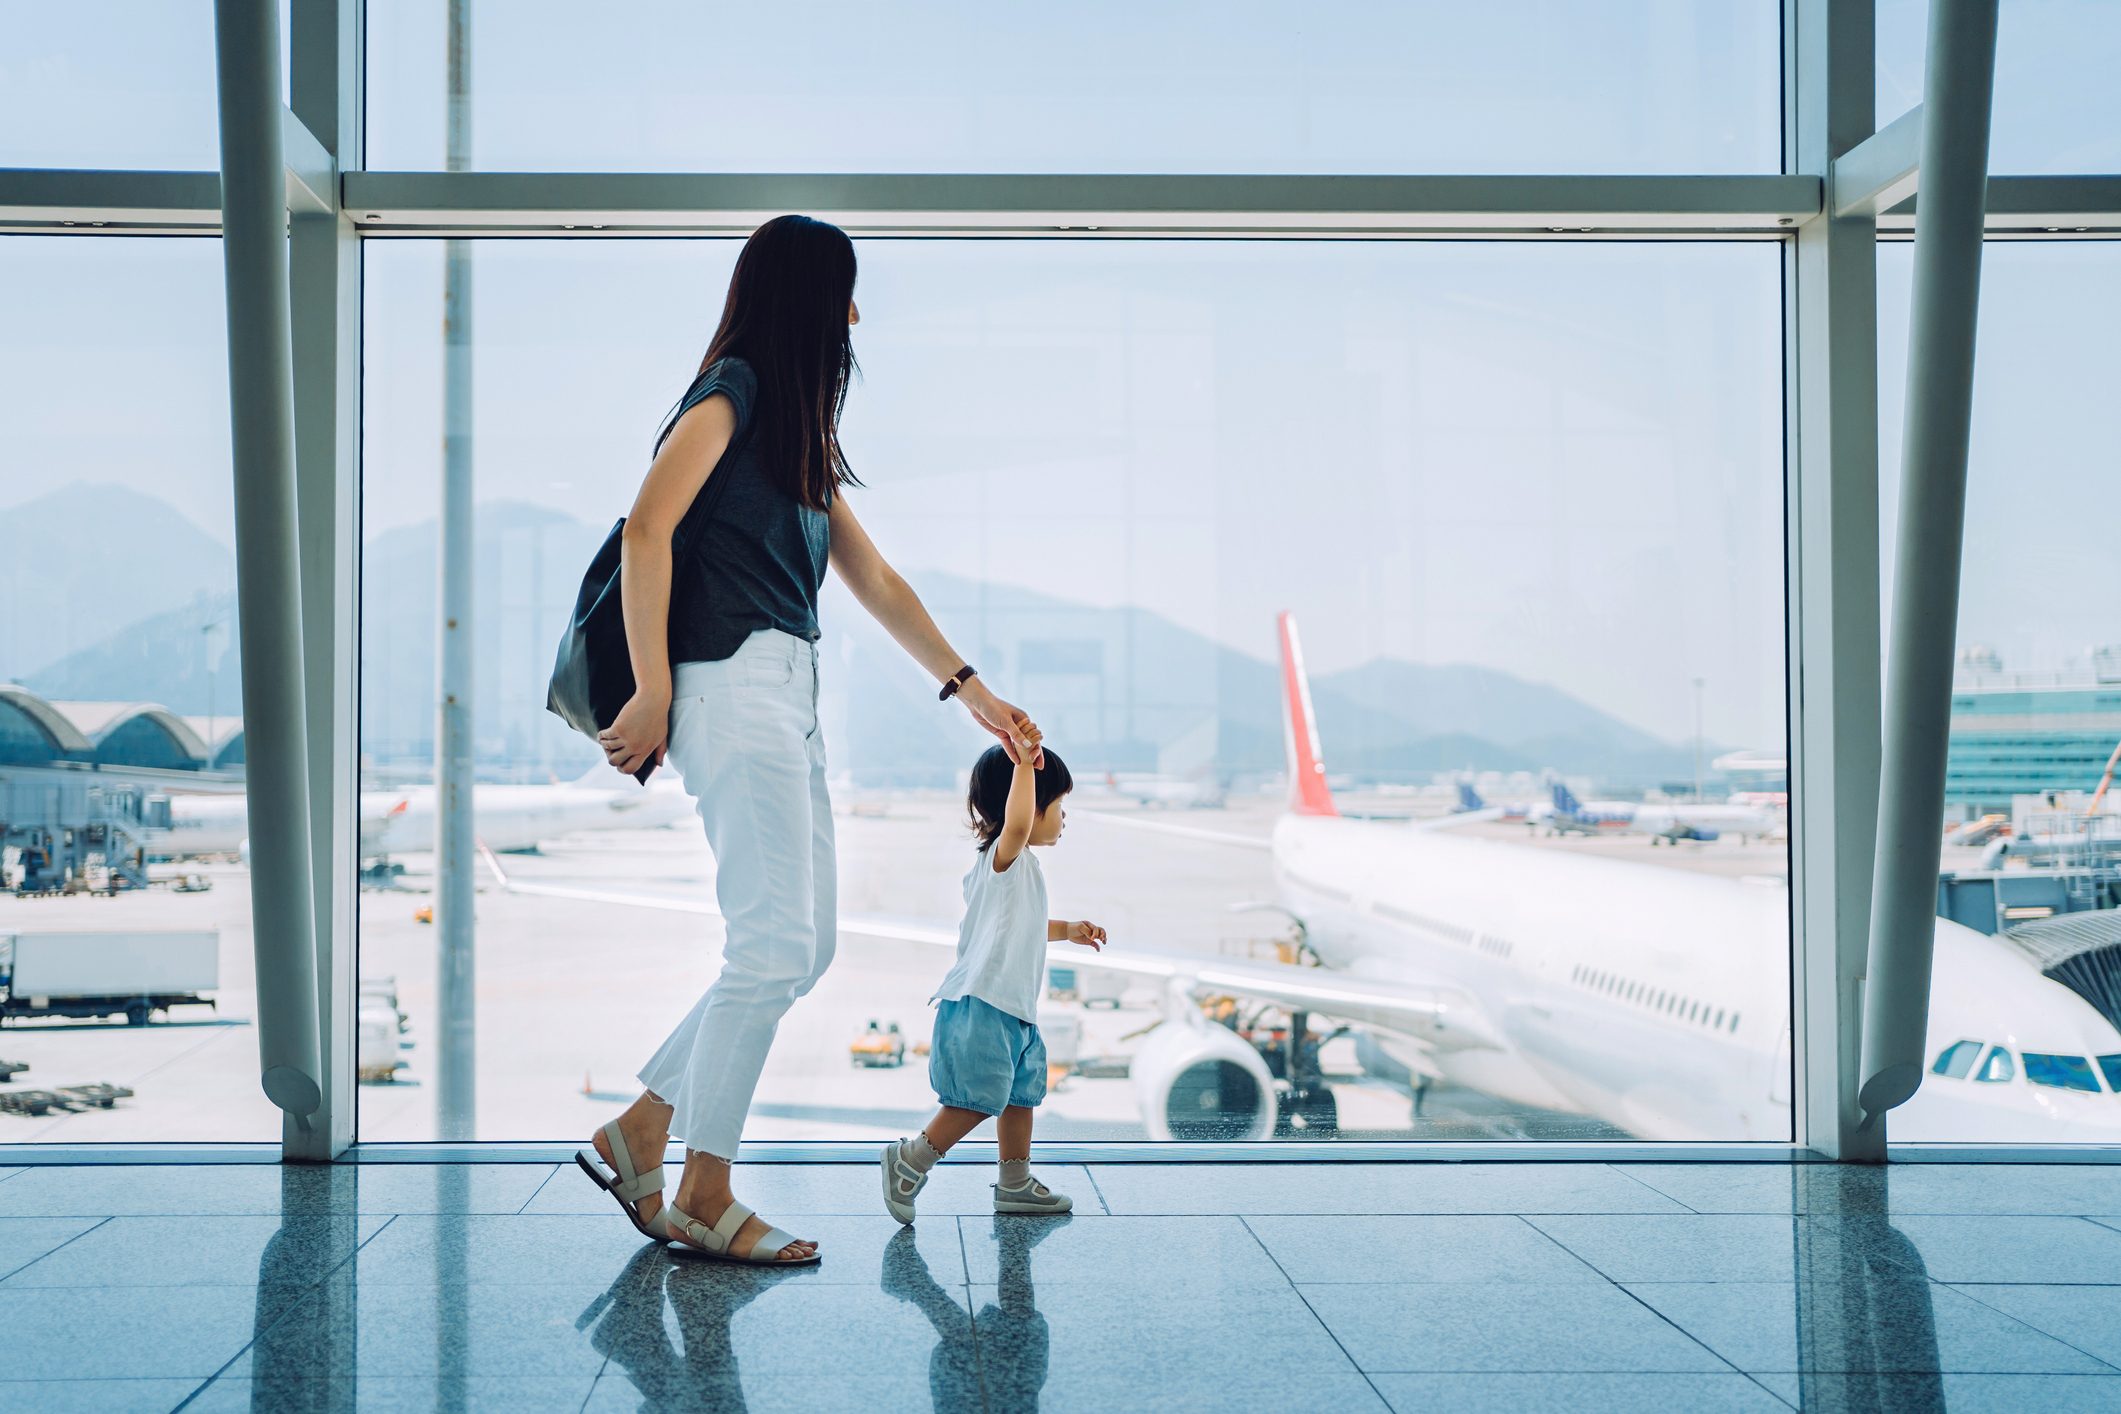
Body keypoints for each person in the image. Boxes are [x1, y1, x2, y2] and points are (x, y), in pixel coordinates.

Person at [579, 215, 1043, 1266]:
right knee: (773, 943)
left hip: (785, 692)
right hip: (731, 685)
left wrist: (971, 689)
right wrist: (653, 688)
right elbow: (645, 527)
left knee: (805, 944)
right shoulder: (732, 391)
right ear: (806, 298)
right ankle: (701, 1187)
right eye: (845, 293)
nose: (856, 316)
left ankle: (644, 1128)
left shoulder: (790, 431)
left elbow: (873, 579)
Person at [880, 730, 1108, 1223]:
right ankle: (910, 1160)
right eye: (1059, 804)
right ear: (1023, 804)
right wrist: (1026, 764)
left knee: (1019, 1097)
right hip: (984, 1004)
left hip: (1013, 1008)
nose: (1064, 816)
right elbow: (1019, 823)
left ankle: (1015, 1182)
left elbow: (1020, 923)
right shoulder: (1005, 856)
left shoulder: (1017, 869)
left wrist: (1067, 930)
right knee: (978, 1099)